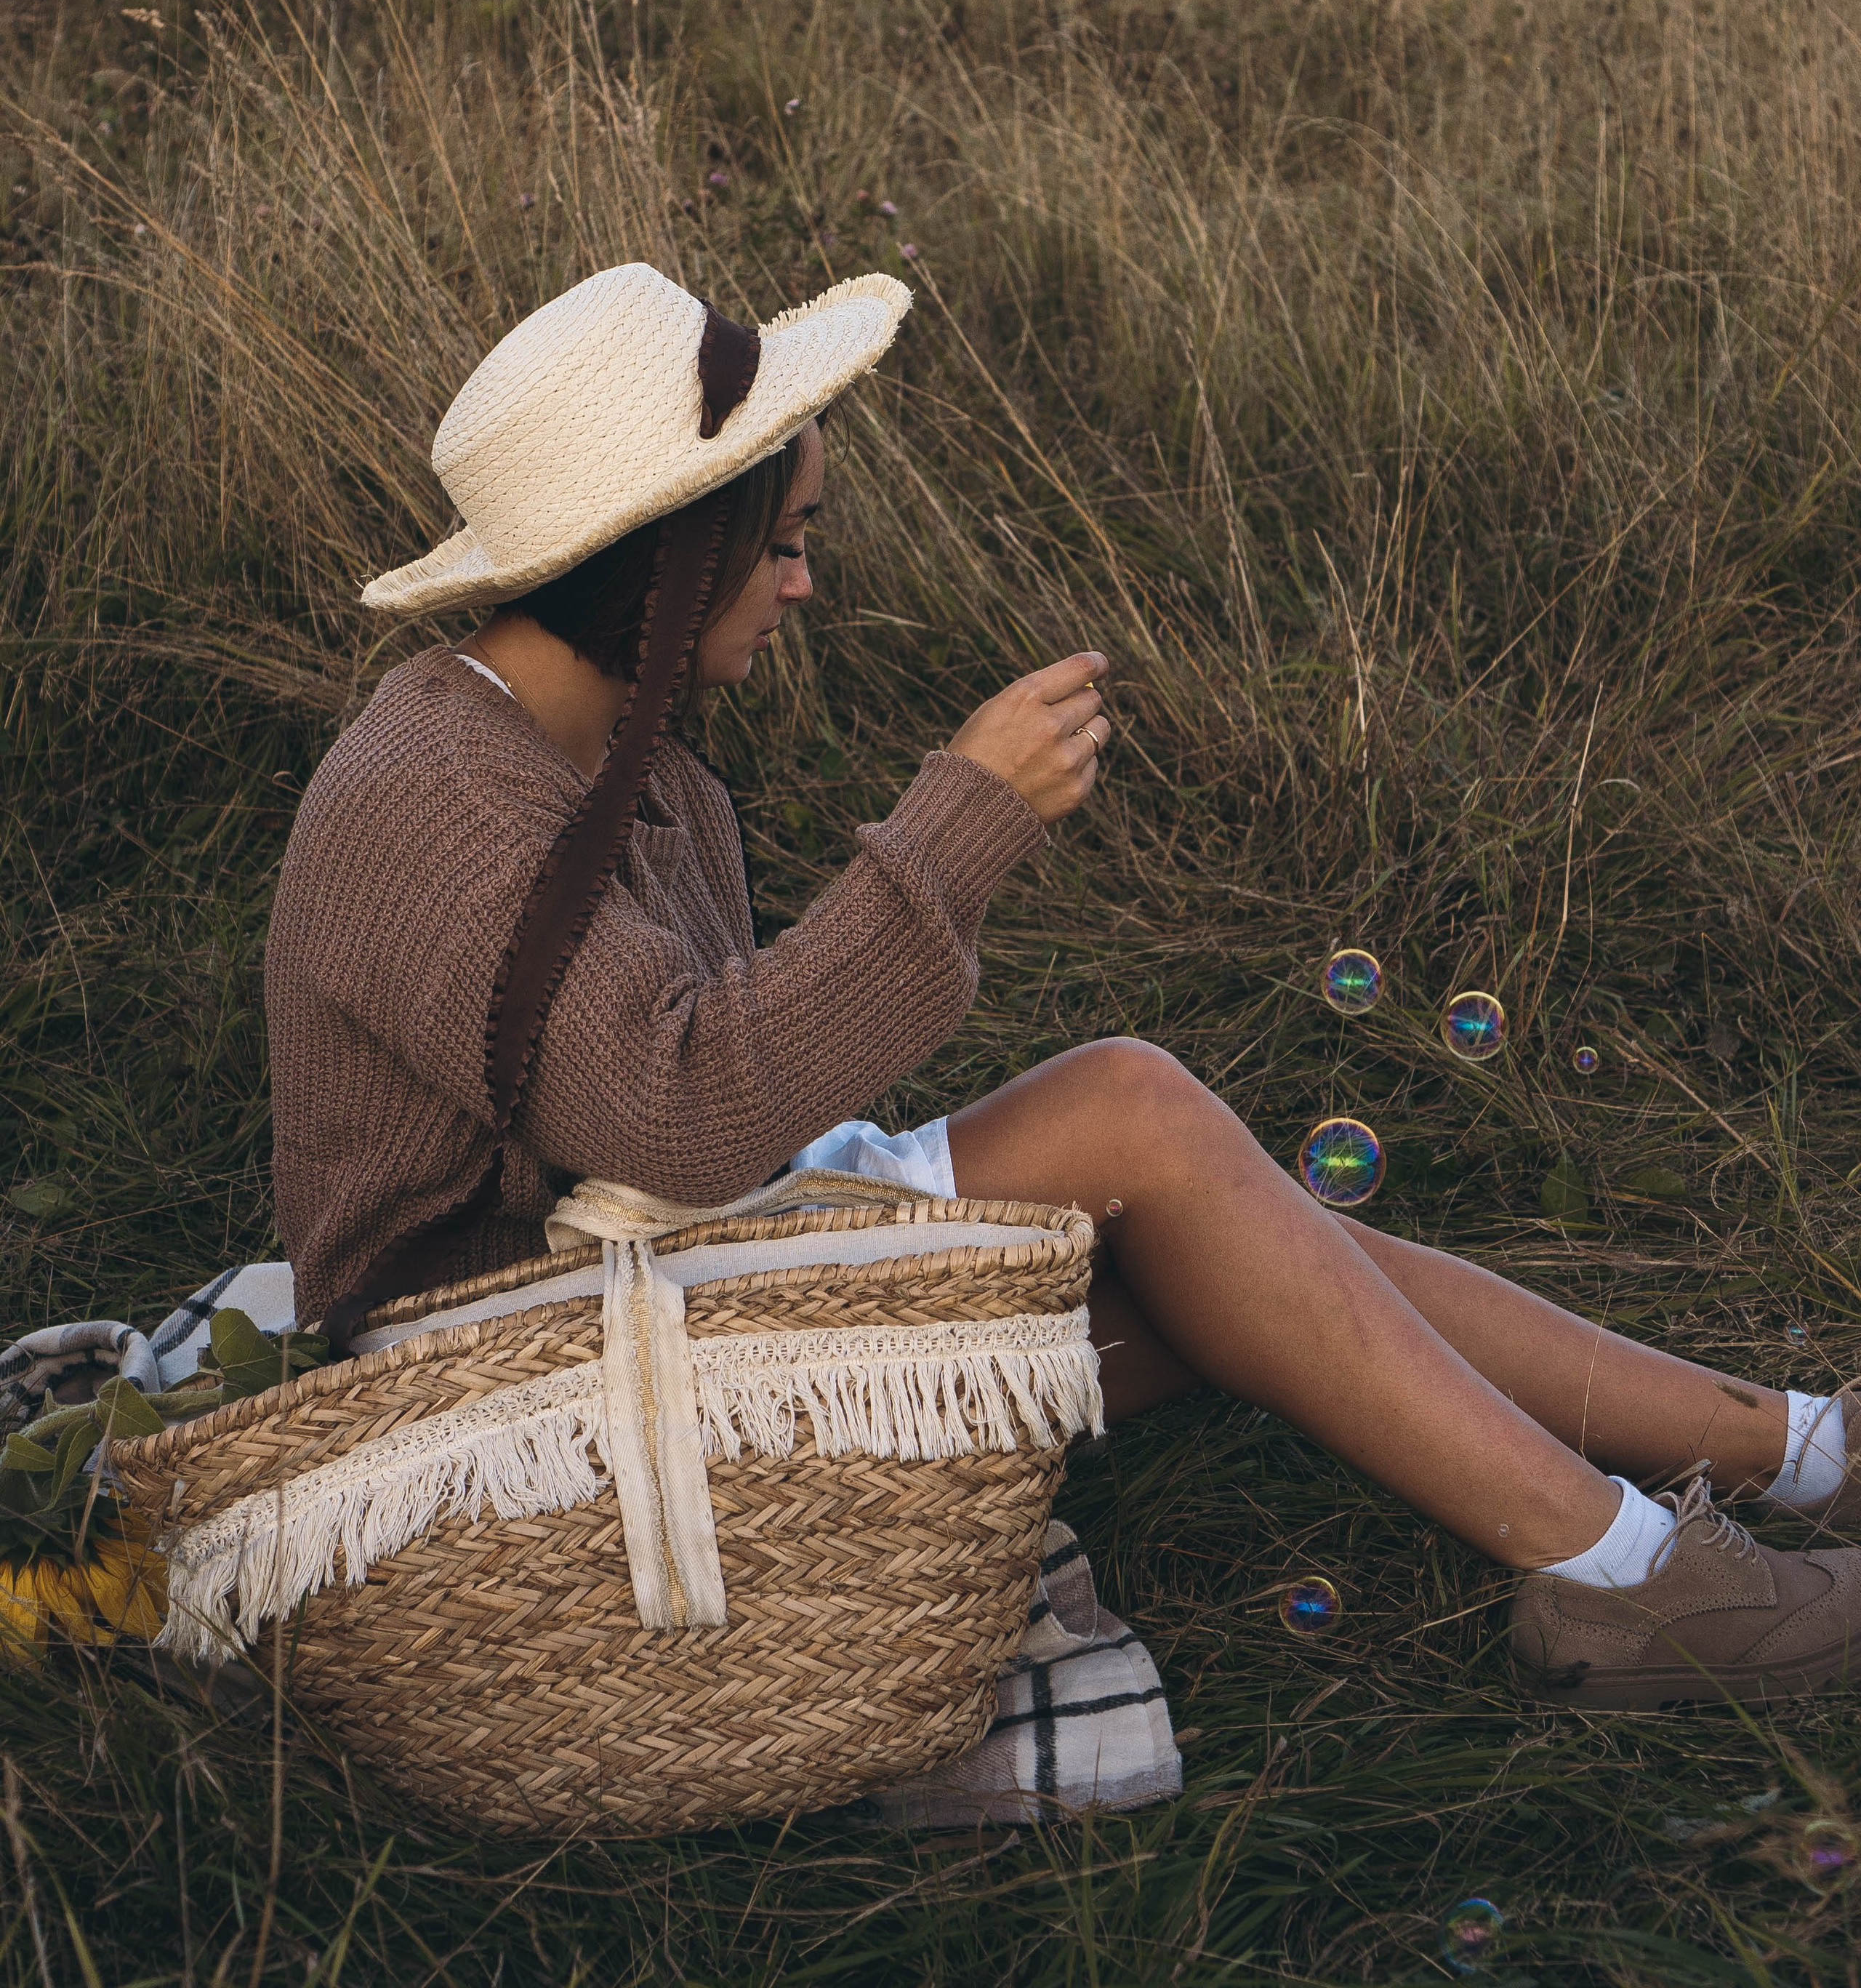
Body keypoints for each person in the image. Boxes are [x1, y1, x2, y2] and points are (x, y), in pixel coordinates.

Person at [268, 260, 1861, 1714]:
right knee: (1128, 1108)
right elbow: (675, 1119)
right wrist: (956, 825)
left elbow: (681, 1134)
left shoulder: (631, 764)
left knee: (1228, 1250)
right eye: (785, 544)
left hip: (623, 1295)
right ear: (671, 559)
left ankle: (1796, 1452)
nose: (803, 588)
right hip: (493, 1388)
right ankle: (1628, 1587)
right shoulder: (436, 795)